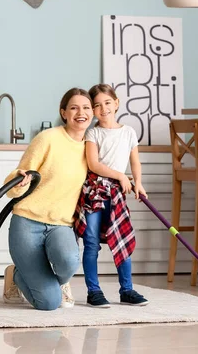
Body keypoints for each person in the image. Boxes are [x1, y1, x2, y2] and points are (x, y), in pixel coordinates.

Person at [2, 87, 94, 311]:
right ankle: (15, 274)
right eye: (74, 107)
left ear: (92, 112)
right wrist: (19, 180)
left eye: (86, 107)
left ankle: (48, 280)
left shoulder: (92, 148)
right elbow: (13, 184)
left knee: (69, 260)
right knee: (50, 303)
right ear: (64, 112)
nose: (80, 112)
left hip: (60, 225)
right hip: (27, 223)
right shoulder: (48, 138)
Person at [74, 83, 149, 307]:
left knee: (121, 239)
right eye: (96, 105)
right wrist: (121, 176)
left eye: (107, 103)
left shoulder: (128, 132)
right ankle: (93, 291)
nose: (103, 108)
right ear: (92, 110)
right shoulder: (93, 132)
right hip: (94, 192)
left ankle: (127, 290)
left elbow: (135, 161)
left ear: (116, 103)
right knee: (91, 241)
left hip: (116, 194)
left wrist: (138, 183)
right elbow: (94, 164)